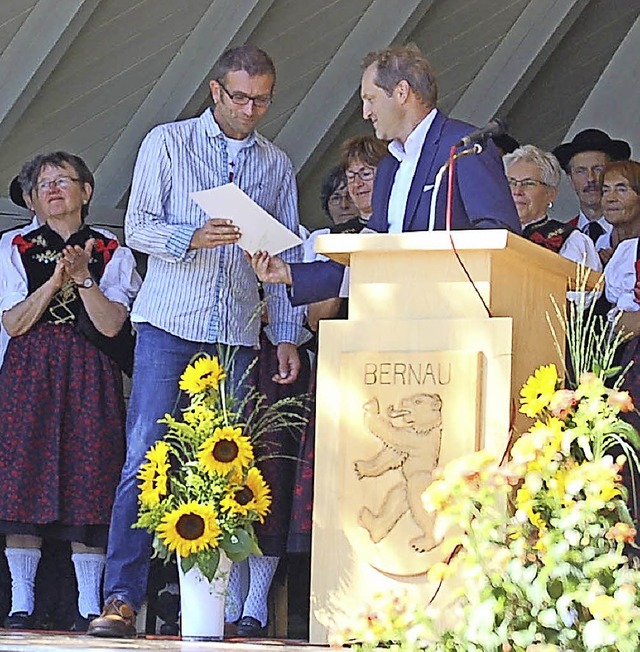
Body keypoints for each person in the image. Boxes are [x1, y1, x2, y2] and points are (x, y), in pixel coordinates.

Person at [88, 44, 304, 639]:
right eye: (241, 97)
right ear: (215, 91)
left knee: (229, 467)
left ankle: (212, 604)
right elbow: (136, 227)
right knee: (145, 460)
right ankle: (122, 598)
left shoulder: (276, 164)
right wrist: (193, 235)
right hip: (168, 324)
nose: (252, 110)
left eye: (262, 99)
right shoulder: (167, 141)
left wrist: (285, 332)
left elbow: (283, 257)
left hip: (236, 330)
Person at [250, 45, 520, 304]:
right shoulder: (389, 165)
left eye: (370, 99)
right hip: (392, 320)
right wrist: (290, 274)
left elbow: (500, 236)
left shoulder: (464, 147)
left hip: (453, 317)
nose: (366, 113)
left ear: (402, 92)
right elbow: (370, 254)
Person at [0, 151, 140, 631]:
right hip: (30, 368)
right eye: (43, 185)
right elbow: (14, 322)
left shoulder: (111, 251)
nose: (54, 190)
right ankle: (21, 602)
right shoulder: (12, 246)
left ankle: (87, 605)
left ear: (87, 192)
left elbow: (112, 323)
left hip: (89, 369)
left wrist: (82, 277)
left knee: (91, 475)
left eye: (64, 181)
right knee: (23, 475)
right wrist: (53, 279)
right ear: (33, 200)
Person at [503, 144, 600, 271]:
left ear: (550, 194)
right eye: (511, 182)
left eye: (529, 183)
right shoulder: (486, 234)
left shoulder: (571, 241)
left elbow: (581, 289)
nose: (517, 191)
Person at [552, 129, 631, 256]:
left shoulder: (634, 228)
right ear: (571, 180)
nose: (590, 179)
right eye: (580, 171)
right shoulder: (559, 238)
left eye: (598, 169)